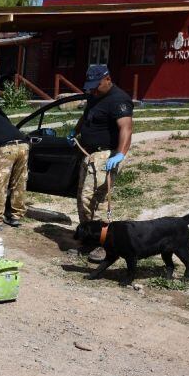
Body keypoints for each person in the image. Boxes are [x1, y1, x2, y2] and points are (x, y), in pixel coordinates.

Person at [67, 65, 133, 261]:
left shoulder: (119, 99)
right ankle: (89, 238)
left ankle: (104, 244)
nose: (92, 91)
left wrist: (120, 154)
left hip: (107, 155)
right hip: (90, 154)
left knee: (97, 199)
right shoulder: (94, 96)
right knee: (83, 198)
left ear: (107, 79)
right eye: (90, 87)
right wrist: (76, 131)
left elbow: (126, 128)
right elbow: (86, 116)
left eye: (96, 86)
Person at [0, 111, 30, 230]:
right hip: (23, 146)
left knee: (0, 184)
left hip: (6, 148)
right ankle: (16, 216)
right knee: (19, 183)